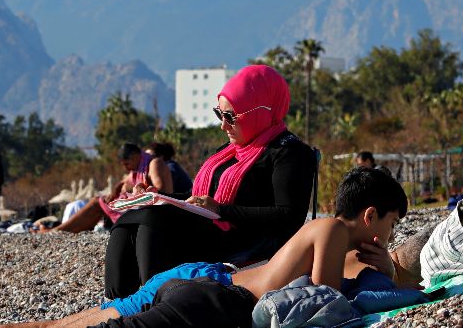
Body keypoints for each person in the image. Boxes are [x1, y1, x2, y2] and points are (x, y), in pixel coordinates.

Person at [0, 168, 407, 328]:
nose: (389, 235)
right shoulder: (332, 229)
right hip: (216, 298)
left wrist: (384, 270)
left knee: (75, 322)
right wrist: (386, 275)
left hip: (201, 277)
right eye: (392, 224)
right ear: (370, 216)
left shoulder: (334, 242)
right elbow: (323, 302)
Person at [103, 64, 316, 299]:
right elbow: (198, 198)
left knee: (153, 222)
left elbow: (288, 217)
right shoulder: (229, 151)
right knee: (130, 219)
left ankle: (154, 302)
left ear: (262, 110)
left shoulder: (289, 153)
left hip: (245, 241)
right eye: (220, 114)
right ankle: (117, 302)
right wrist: (158, 196)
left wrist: (222, 210)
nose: (223, 125)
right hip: (213, 231)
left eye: (231, 117)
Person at [48, 143, 173, 233]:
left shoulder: (154, 164)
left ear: (135, 157)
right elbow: (124, 181)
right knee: (101, 202)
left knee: (97, 203)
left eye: (127, 164)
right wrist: (116, 190)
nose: (126, 169)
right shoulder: (139, 167)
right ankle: (61, 231)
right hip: (142, 209)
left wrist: (136, 191)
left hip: (158, 213)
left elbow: (161, 194)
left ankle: (57, 231)